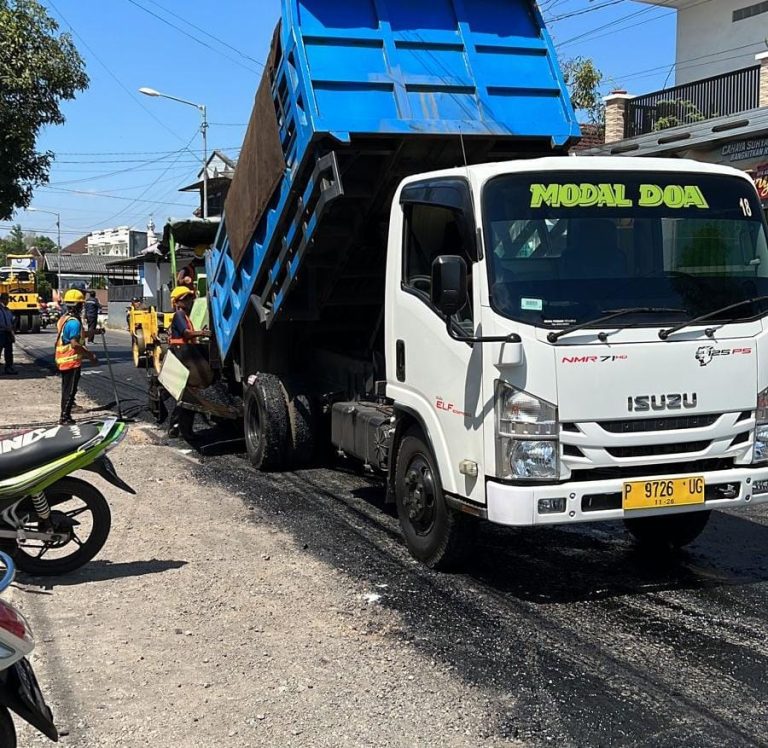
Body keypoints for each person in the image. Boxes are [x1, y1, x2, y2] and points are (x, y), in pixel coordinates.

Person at [55, 289, 98, 425]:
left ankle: (65, 415)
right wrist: (90, 355)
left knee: (66, 389)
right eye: (82, 304)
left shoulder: (64, 319)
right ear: (79, 305)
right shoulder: (74, 322)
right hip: (71, 361)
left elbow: (76, 335)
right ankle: (64, 417)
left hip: (63, 360)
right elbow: (74, 343)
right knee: (70, 390)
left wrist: (95, 332)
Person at [0, 293, 17, 375]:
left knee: (9, 352)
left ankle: (9, 367)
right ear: (2, 299)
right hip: (1, 332)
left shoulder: (7, 310)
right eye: (6, 299)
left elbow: (10, 320)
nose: (7, 301)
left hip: (7, 333)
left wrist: (12, 330)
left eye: (8, 299)